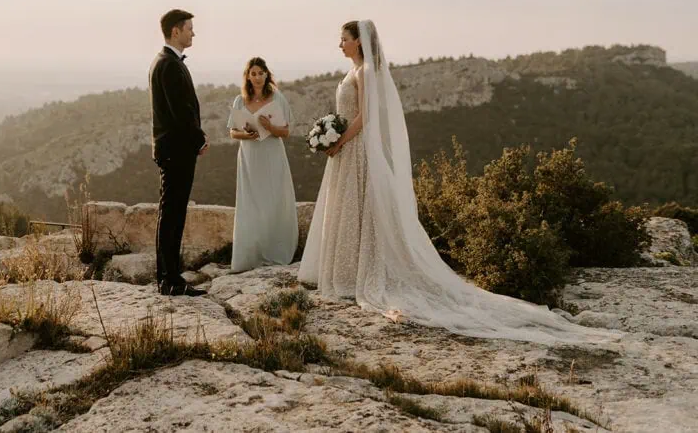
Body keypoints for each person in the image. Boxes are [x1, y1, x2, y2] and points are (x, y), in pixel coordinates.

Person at [298, 20, 617, 344]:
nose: (340, 44)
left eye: (344, 39)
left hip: (356, 150)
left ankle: (359, 275)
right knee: (351, 210)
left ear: (359, 43)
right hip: (347, 151)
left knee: (361, 209)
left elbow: (364, 117)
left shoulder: (364, 72)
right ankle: (347, 273)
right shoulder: (352, 72)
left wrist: (338, 141)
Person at [149, 9, 208, 296]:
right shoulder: (169, 65)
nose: (193, 33)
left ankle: (169, 277)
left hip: (174, 149)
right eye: (189, 28)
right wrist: (199, 139)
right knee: (172, 214)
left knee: (172, 213)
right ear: (176, 31)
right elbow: (180, 112)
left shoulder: (166, 61)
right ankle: (169, 279)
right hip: (176, 150)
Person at [227, 57, 298, 273]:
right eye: (253, 73)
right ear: (248, 77)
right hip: (249, 157)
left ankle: (275, 251)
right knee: (251, 202)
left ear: (267, 74)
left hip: (271, 154)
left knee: (273, 200)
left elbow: (285, 132)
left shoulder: (277, 99)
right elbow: (232, 132)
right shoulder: (240, 101)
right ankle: (250, 254)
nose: (257, 77)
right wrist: (247, 135)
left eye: (261, 73)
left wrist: (269, 126)